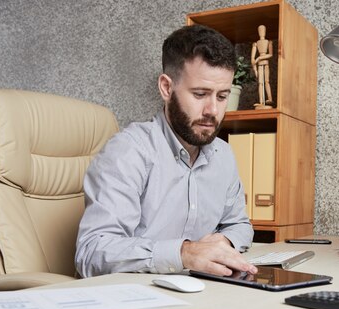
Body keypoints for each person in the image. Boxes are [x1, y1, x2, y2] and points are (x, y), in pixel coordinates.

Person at [75, 25, 258, 278]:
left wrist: (221, 245)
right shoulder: (128, 152)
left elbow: (238, 224)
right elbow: (92, 252)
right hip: (135, 299)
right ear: (166, 88)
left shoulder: (223, 155)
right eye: (200, 94)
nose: (212, 110)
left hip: (202, 293)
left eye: (222, 96)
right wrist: (185, 253)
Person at [250, 25, 273, 108]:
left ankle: (269, 99)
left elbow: (270, 54)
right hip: (259, 65)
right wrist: (254, 68)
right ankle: (261, 101)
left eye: (263, 30)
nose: (261, 32)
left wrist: (259, 57)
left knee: (266, 81)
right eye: (260, 30)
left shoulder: (268, 42)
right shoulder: (256, 44)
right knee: (260, 83)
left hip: (265, 63)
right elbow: (252, 59)